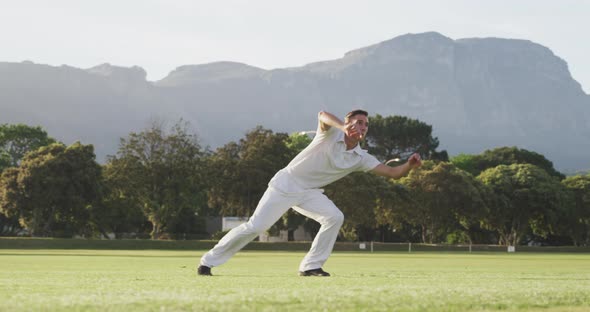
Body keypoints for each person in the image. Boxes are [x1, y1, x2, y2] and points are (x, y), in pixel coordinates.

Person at [198, 110, 422, 276]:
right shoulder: (330, 134)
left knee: (334, 217)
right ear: (347, 123)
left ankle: (311, 266)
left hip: (309, 193)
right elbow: (323, 114)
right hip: (286, 184)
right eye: (358, 122)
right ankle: (208, 261)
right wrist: (342, 127)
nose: (362, 127)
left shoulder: (361, 158)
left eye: (365, 125)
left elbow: (393, 173)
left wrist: (410, 165)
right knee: (256, 227)